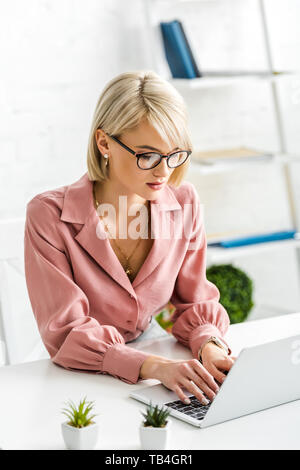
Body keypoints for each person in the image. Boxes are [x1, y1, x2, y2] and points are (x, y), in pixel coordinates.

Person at [24, 70, 235, 406]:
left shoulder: (184, 202)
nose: (164, 172)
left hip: (153, 357)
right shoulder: (48, 215)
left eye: (174, 154)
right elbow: (65, 333)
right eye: (147, 155)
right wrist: (153, 367)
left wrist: (209, 345)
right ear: (104, 142)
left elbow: (194, 302)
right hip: (76, 370)